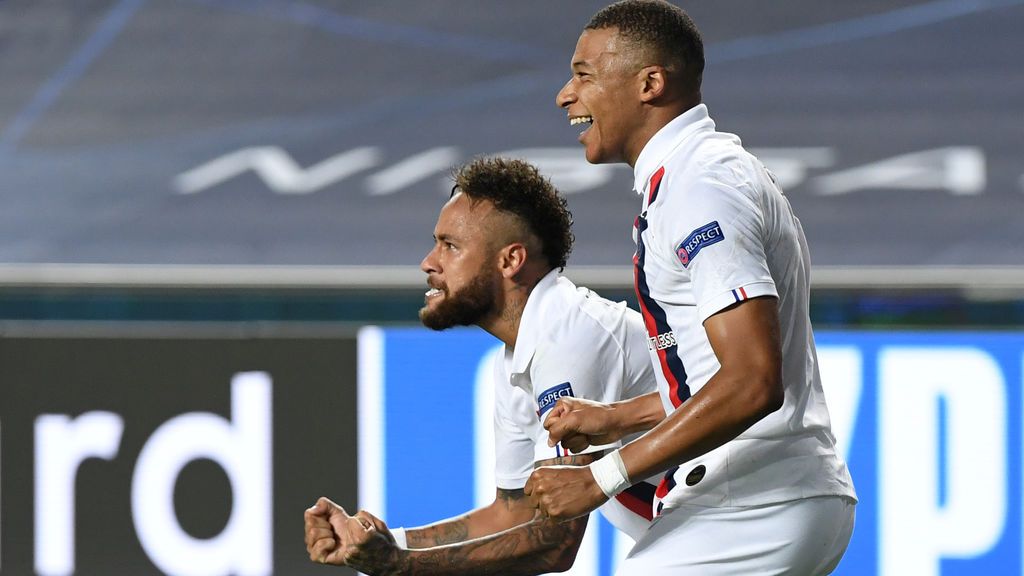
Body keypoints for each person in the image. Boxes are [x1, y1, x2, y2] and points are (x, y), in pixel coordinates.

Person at [524, 1, 858, 574]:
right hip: (772, 496)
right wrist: (617, 418)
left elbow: (753, 382)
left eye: (583, 75)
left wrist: (605, 476)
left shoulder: (701, 186)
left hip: (753, 503)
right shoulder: (696, 175)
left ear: (650, 83)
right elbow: (722, 374)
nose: (564, 94)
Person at [304, 157, 661, 575]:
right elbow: (512, 516)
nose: (428, 263)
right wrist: (388, 543)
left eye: (449, 246)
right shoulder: (513, 361)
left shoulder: (568, 334)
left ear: (510, 261)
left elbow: (553, 546)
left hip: (733, 523)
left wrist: (400, 566)